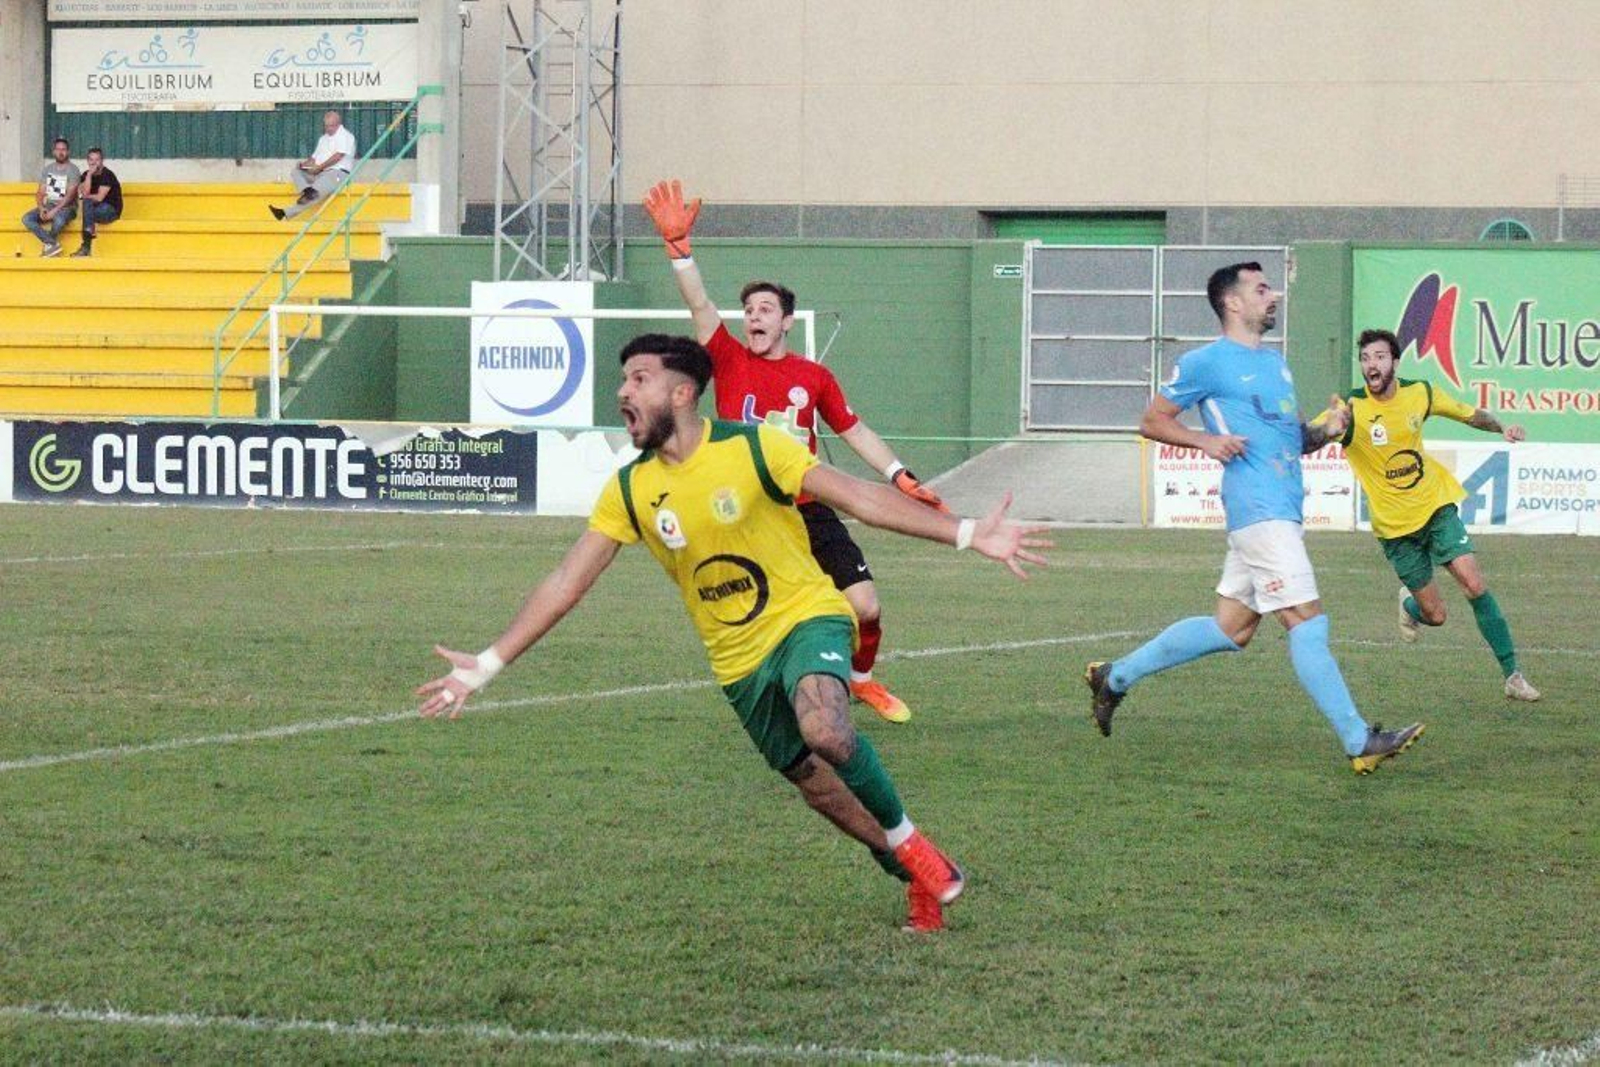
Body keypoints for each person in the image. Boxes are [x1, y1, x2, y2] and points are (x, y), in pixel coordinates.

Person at [416, 333, 1051, 932]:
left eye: (640, 379)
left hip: (805, 616)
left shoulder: (755, 448)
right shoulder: (631, 488)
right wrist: (488, 663)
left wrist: (967, 532)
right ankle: (907, 866)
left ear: (683, 393)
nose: (624, 393)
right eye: (623, 381)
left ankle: (911, 844)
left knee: (826, 726)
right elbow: (566, 581)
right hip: (736, 662)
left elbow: (858, 497)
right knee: (817, 790)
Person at [1083, 262, 1425, 776]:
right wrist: (1205, 440)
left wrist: (1327, 429)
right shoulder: (1206, 362)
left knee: (1232, 628)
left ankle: (1115, 677)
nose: (1274, 295)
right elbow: (1151, 420)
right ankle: (1360, 741)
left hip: (1279, 506)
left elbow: (1291, 440)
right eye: (1261, 288)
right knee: (1305, 618)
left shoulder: (1276, 365)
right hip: (1258, 508)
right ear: (1233, 303)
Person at [642, 178, 946, 725]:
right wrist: (680, 252)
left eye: (764, 309)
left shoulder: (814, 376)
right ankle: (784, 699)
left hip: (809, 506)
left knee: (866, 606)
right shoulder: (729, 359)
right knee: (772, 620)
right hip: (754, 513)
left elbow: (854, 431)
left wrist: (900, 475)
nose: (753, 317)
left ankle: (862, 681)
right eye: (749, 310)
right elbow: (699, 302)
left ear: (786, 320)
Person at [1336, 328, 1540, 701]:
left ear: (1395, 362)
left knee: (1474, 584)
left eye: (1379, 357)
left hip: (1435, 507)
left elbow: (1469, 414)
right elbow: (1316, 433)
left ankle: (1513, 675)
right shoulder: (1351, 409)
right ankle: (1410, 605)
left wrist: (1500, 429)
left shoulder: (1420, 393)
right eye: (1365, 358)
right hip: (1396, 531)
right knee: (1436, 616)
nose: (1371, 365)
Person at [270, 110, 355, 221]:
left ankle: (285, 212)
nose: (329, 129)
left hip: (337, 174)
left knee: (316, 193)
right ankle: (307, 191)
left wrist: (319, 168)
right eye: (326, 126)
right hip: (320, 172)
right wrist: (304, 165)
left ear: (338, 124)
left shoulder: (346, 136)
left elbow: (338, 156)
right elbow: (313, 159)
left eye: (332, 126)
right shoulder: (323, 139)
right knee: (296, 172)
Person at [21, 137, 80, 257]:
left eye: (63, 149)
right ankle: (52, 244)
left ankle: (49, 247)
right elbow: (40, 192)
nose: (61, 152)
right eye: (58, 149)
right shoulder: (48, 169)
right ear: (54, 152)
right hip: (49, 204)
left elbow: (70, 195)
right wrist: (41, 207)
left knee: (58, 221)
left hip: (67, 207)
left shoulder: (73, 170)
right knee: (26, 218)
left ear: (68, 152)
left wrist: (54, 211)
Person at [71, 147, 122, 258]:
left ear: (102, 161)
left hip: (111, 210)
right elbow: (84, 194)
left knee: (87, 203)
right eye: (91, 160)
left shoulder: (107, 175)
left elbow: (99, 198)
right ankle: (89, 234)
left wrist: (86, 197)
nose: (94, 163)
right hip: (93, 210)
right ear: (87, 161)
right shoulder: (85, 175)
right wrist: (89, 175)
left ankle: (85, 246)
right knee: (87, 203)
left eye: (97, 160)